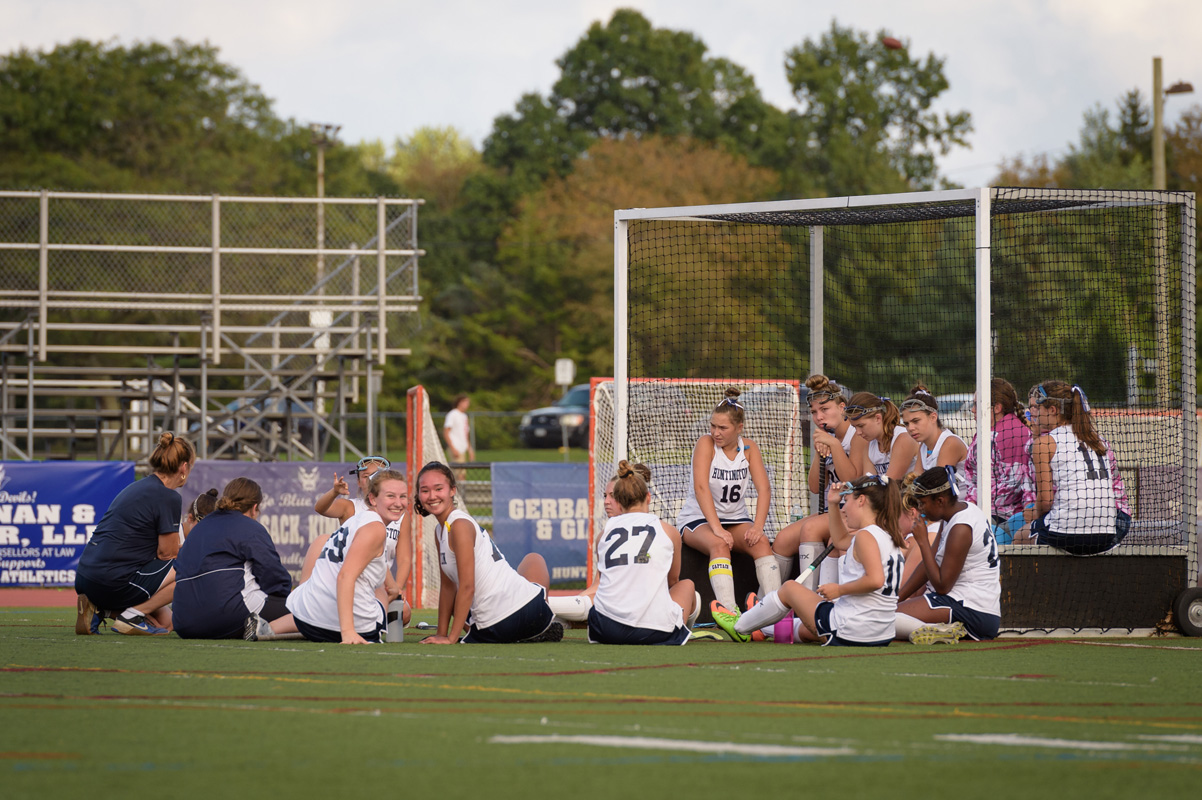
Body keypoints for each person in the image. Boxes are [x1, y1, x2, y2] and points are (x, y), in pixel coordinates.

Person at [712, 474, 906, 647]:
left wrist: (839, 590)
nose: (844, 508)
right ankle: (760, 628)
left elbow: (875, 580)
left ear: (861, 500)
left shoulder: (866, 536)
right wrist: (832, 504)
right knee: (805, 630)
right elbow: (839, 541)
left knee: (789, 588)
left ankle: (738, 626)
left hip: (853, 629)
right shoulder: (888, 535)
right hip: (880, 634)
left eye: (846, 501)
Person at [415, 462, 562, 644]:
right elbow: (448, 586)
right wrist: (441, 634)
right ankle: (540, 626)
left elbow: (466, 587)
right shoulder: (441, 531)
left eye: (438, 489)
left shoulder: (458, 525)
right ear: (419, 495)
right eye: (425, 490)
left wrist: (451, 639)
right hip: (525, 615)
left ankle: (536, 626)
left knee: (533, 560)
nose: (432, 496)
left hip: (496, 625)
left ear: (452, 490)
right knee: (534, 560)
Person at [74, 432, 195, 636]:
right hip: (114, 581)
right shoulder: (168, 497)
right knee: (193, 562)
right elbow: (168, 555)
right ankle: (130, 616)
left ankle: (101, 609)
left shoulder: (137, 486)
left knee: (165, 623)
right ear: (184, 467)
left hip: (86, 578)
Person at [676, 387, 780, 614]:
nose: (716, 432)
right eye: (713, 426)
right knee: (719, 544)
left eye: (723, 427)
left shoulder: (750, 447)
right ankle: (730, 613)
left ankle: (773, 611)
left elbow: (764, 489)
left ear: (739, 428)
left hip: (735, 518)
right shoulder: (705, 443)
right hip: (699, 519)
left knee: (761, 542)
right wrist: (717, 528)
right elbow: (701, 487)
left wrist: (758, 527)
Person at [285, 469, 410, 643]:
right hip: (347, 625)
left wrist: (395, 587)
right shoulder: (375, 527)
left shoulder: (357, 519)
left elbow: (378, 559)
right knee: (380, 589)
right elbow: (345, 576)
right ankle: (352, 627)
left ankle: (272, 626)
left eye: (403, 496)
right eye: (391, 496)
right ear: (372, 499)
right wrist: (348, 631)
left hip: (305, 616)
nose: (398, 503)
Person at [1013, 381, 1131, 555]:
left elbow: (1046, 501)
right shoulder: (1097, 439)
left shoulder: (1044, 444)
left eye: (1039, 407)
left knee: (1019, 537)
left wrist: (1035, 515)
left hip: (1069, 532)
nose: (1035, 413)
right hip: (1107, 532)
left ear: (1053, 410)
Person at [587, 461, 697, 645]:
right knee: (687, 586)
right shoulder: (669, 532)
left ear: (619, 500)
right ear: (648, 497)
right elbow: (672, 582)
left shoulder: (603, 535)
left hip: (605, 629)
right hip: (655, 631)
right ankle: (683, 629)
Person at [172, 477, 295, 640]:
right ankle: (267, 628)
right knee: (304, 609)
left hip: (183, 623)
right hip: (228, 618)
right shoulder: (250, 527)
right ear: (255, 507)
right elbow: (275, 578)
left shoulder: (198, 527)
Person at [894, 467, 1001, 644]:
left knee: (882, 621)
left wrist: (922, 542)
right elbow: (928, 565)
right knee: (887, 613)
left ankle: (936, 631)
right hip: (967, 604)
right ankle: (939, 630)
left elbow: (943, 586)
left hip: (972, 609)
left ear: (940, 501)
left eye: (923, 503)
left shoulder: (961, 527)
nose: (920, 509)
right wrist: (897, 598)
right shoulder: (957, 514)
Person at [771, 375, 858, 589]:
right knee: (782, 539)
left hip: (853, 511)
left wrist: (835, 447)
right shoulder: (827, 435)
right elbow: (814, 487)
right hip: (834, 510)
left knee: (810, 528)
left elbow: (853, 481)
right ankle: (768, 604)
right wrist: (820, 453)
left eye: (825, 409)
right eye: (814, 412)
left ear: (842, 407)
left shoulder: (856, 435)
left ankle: (806, 600)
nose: (819, 417)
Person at [546, 463, 653, 625]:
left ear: (627, 496)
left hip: (639, 609)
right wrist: (578, 601)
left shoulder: (655, 532)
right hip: (618, 607)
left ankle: (539, 605)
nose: (606, 502)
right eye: (605, 496)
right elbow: (598, 585)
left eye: (613, 495)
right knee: (569, 617)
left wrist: (576, 603)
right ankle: (547, 611)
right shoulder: (609, 535)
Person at [962, 378, 1032, 543]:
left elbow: (1011, 484)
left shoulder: (999, 436)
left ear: (997, 408)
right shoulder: (1018, 431)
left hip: (999, 519)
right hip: (1006, 516)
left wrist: (972, 509)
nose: (972, 410)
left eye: (976, 404)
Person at [846, 392, 919, 481]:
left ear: (878, 418)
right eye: (854, 427)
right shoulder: (869, 445)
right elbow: (869, 484)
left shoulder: (903, 439)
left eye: (861, 426)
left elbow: (890, 484)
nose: (858, 432)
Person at [900, 384, 968, 477]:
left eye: (916, 421)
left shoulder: (951, 443)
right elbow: (915, 482)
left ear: (933, 417)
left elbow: (936, 484)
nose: (910, 428)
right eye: (906, 424)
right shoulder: (923, 446)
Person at [443, 395, 474, 463]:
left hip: (462, 449)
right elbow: (446, 432)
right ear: (460, 402)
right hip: (456, 447)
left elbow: (465, 435)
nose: (467, 405)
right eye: (466, 402)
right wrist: (453, 448)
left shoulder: (464, 416)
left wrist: (470, 450)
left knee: (462, 473)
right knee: (459, 473)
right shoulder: (453, 414)